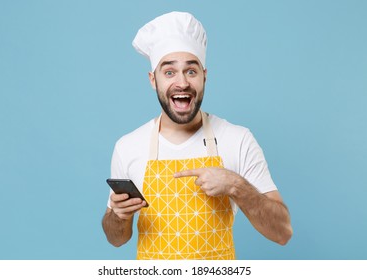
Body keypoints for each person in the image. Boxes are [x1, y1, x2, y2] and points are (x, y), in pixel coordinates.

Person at [102, 11, 292, 260]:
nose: (181, 83)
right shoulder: (128, 146)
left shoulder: (237, 140)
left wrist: (235, 185)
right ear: (153, 80)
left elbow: (283, 233)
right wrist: (118, 215)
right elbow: (117, 239)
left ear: (204, 76)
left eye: (191, 71)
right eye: (169, 72)